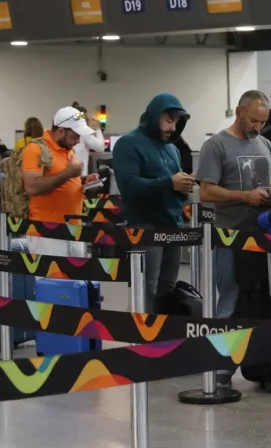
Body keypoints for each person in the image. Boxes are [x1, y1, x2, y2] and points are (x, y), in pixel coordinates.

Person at [197, 90, 271, 388]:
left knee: (260, 301)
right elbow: (206, 192)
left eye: (262, 122)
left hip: (263, 238)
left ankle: (260, 361)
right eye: (253, 120)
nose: (257, 127)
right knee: (230, 301)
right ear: (238, 111)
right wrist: (244, 196)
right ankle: (221, 368)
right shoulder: (216, 146)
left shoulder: (265, 144)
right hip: (230, 237)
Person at [113, 94, 192, 313]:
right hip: (145, 226)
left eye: (176, 122)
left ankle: (162, 340)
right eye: (168, 121)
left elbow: (173, 186)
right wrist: (170, 183)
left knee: (167, 289)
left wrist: (183, 186)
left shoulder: (172, 149)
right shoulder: (128, 144)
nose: (173, 128)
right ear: (154, 117)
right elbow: (129, 186)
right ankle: (141, 339)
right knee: (146, 288)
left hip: (172, 226)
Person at [22, 107, 100, 256]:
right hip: (47, 231)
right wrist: (68, 174)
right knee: (51, 279)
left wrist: (83, 181)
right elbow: (32, 187)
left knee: (76, 279)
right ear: (61, 131)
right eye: (75, 136)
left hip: (74, 228)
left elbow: (65, 182)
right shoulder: (36, 149)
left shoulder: (68, 149)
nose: (78, 142)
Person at [71, 102, 106, 174]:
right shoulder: (83, 133)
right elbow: (100, 148)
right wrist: (97, 128)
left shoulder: (69, 130)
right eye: (86, 118)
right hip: (79, 176)